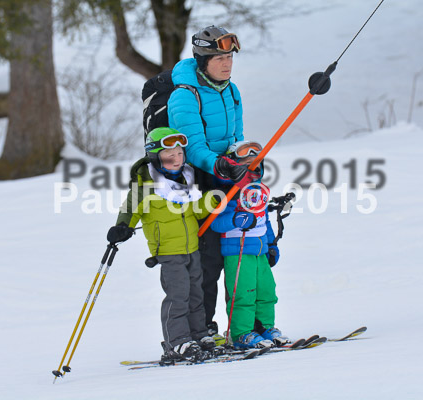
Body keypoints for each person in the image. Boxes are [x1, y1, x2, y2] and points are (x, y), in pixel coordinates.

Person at [167, 25, 260, 340]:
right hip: (200, 179)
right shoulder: (185, 94)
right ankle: (203, 328)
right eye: (219, 57)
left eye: (229, 56)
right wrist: (220, 164)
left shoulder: (231, 91)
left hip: (227, 176)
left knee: (239, 249)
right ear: (202, 60)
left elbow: (236, 139)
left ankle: (248, 325)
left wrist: (244, 160)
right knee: (208, 259)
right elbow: (192, 146)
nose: (227, 63)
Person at [106, 127, 222, 363]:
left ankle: (199, 335)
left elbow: (196, 212)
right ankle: (176, 342)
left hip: (192, 248)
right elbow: (131, 208)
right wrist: (122, 226)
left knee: (196, 295)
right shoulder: (146, 184)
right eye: (169, 156)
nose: (176, 160)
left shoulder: (186, 180)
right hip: (168, 251)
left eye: (179, 154)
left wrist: (213, 199)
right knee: (178, 296)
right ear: (155, 157)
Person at [209, 141, 289, 349]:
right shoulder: (228, 193)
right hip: (238, 251)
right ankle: (241, 333)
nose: (252, 170)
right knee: (243, 293)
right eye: (246, 165)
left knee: (267, 291)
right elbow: (215, 222)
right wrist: (235, 220)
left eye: (256, 164)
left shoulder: (259, 191)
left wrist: (271, 244)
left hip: (260, 251)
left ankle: (265, 328)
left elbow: (265, 221)